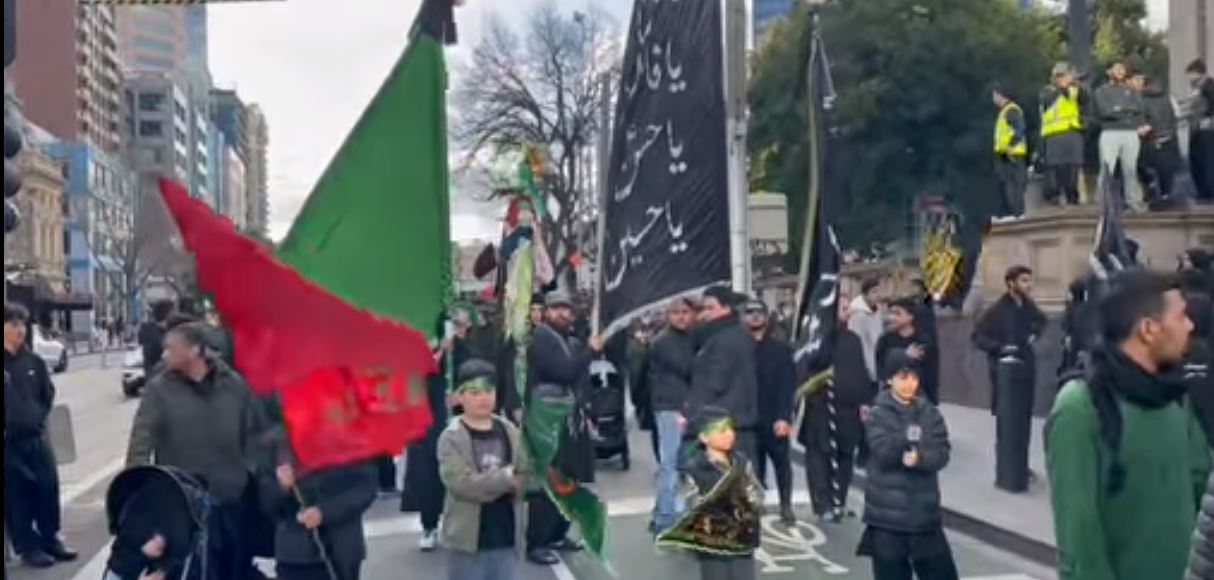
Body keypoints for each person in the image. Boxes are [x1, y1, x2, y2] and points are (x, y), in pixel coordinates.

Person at [1046, 269, 1206, 580]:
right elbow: (1079, 544)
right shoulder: (1080, 408)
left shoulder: (1174, 397)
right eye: (1181, 316)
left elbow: (1202, 486)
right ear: (1149, 329)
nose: (1191, 326)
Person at [126, 322, 266, 579]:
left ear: (193, 350)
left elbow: (255, 434)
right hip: (183, 507)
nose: (163, 354)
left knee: (233, 570)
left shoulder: (233, 385)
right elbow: (140, 444)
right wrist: (138, 495)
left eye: (170, 348)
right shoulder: (160, 390)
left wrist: (247, 472)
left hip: (230, 501)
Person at [857, 351, 958, 580]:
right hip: (887, 519)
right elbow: (882, 451)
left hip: (924, 516)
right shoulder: (878, 413)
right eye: (902, 377)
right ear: (890, 379)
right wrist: (906, 439)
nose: (908, 384)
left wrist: (920, 458)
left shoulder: (930, 413)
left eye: (913, 377)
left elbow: (941, 452)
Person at [524, 290, 603, 565]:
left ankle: (557, 533)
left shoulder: (565, 339)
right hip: (548, 418)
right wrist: (590, 351)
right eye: (557, 308)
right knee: (549, 480)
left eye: (567, 309)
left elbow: (578, 378)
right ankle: (537, 541)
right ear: (546, 311)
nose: (563, 313)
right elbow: (565, 372)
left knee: (568, 478)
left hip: (568, 416)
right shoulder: (542, 338)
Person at [438, 360, 528, 580]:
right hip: (467, 542)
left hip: (506, 537)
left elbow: (525, 473)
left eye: (489, 391)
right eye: (474, 392)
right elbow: (463, 484)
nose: (484, 398)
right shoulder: (451, 437)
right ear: (459, 396)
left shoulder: (509, 430)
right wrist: (506, 478)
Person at [3, 303, 77, 568]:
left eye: (22, 324)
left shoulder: (33, 361)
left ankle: (50, 538)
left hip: (36, 437)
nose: (19, 330)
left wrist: (36, 417)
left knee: (47, 487)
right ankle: (28, 546)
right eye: (12, 324)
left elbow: (47, 394)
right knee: (18, 495)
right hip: (9, 443)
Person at [972, 265, 1048, 493]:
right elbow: (978, 337)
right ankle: (1007, 471)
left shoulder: (1027, 305)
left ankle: (1021, 467)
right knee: (1007, 424)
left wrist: (1033, 334)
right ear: (1011, 283)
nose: (1029, 285)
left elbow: (1041, 321)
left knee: (1023, 422)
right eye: (1024, 280)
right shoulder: (996, 310)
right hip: (1004, 374)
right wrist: (1001, 349)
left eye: (1030, 280)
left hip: (1025, 371)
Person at [802, 296, 875, 522]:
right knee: (819, 457)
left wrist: (865, 402)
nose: (848, 311)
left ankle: (838, 501)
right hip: (821, 408)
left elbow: (860, 372)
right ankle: (822, 502)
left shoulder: (852, 339)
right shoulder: (814, 339)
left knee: (845, 456)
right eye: (842, 308)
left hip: (849, 410)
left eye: (847, 307)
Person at [677, 406, 763, 580]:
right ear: (704, 437)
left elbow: (756, 493)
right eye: (721, 430)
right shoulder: (695, 469)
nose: (729, 434)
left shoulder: (742, 461)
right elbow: (693, 505)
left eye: (730, 428)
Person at [686, 287, 760, 464]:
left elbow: (715, 382)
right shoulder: (740, 334)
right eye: (704, 308)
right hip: (741, 419)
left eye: (710, 308)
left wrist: (690, 412)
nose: (705, 314)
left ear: (726, 308)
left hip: (722, 422)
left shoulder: (721, 339)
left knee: (723, 480)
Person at [742, 299, 796, 525]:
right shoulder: (739, 349)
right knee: (753, 467)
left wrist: (784, 417)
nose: (754, 316)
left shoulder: (780, 349)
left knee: (782, 463)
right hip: (747, 417)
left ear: (766, 317)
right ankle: (756, 503)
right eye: (750, 312)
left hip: (774, 417)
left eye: (759, 312)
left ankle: (786, 505)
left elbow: (787, 386)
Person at [648, 297, 697, 533]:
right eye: (676, 312)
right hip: (670, 407)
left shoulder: (691, 337)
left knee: (679, 463)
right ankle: (665, 519)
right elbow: (688, 367)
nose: (681, 316)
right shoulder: (663, 342)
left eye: (685, 311)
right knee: (670, 465)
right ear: (668, 315)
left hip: (683, 406)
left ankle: (661, 513)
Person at [1094, 59, 1150, 212]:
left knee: (1130, 170)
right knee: (1107, 169)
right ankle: (1102, 204)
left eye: (1122, 69)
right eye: (1117, 68)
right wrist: (1125, 111)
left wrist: (1119, 110)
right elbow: (1105, 111)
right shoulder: (1101, 91)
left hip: (1130, 133)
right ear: (1109, 71)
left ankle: (1132, 202)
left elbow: (1138, 109)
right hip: (1110, 133)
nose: (1120, 71)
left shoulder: (1131, 90)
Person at [1040, 62, 1086, 206]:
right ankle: (1055, 198)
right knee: (1055, 169)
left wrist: (1074, 83)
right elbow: (1047, 101)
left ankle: (1073, 197)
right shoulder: (1047, 91)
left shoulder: (1074, 90)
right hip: (1053, 135)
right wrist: (1062, 86)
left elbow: (1084, 98)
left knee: (1072, 169)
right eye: (1061, 76)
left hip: (1072, 133)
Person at [874, 298, 936, 403]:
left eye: (897, 314)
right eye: (891, 313)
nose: (891, 318)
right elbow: (881, 367)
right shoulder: (885, 339)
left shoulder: (922, 340)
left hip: (917, 398)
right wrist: (904, 356)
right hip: (890, 397)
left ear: (910, 317)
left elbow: (930, 371)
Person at [1138, 74, 1181, 203]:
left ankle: (1150, 186)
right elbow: (1177, 115)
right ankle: (1165, 193)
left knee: (1143, 165)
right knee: (1166, 169)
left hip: (1148, 137)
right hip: (1167, 137)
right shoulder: (1168, 98)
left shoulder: (1140, 98)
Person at [992, 83, 1029, 220]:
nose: (993, 98)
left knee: (1013, 185)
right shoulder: (1004, 111)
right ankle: (1006, 213)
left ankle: (1017, 213)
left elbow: (1019, 129)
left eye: (995, 95)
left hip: (1012, 154)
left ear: (1001, 95)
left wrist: (1010, 145)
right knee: (1004, 184)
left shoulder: (1012, 110)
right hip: (1003, 154)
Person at [1186, 58, 1214, 203]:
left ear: (1197, 73)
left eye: (1190, 74)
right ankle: (1203, 191)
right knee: (1197, 160)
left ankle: (1208, 191)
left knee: (1206, 160)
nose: (1189, 78)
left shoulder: (1208, 85)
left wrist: (1208, 118)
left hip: (1205, 129)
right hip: (1196, 128)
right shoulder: (1197, 87)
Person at [848, 278, 885, 383]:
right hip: (865, 366)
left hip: (877, 359)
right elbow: (860, 343)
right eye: (874, 292)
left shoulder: (877, 310)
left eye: (879, 291)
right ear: (865, 295)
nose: (878, 295)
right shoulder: (858, 315)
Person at [139, 300, 174, 379]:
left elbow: (140, 341)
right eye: (172, 313)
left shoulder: (146, 327)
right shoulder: (162, 332)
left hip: (151, 372)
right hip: (160, 375)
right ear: (167, 314)